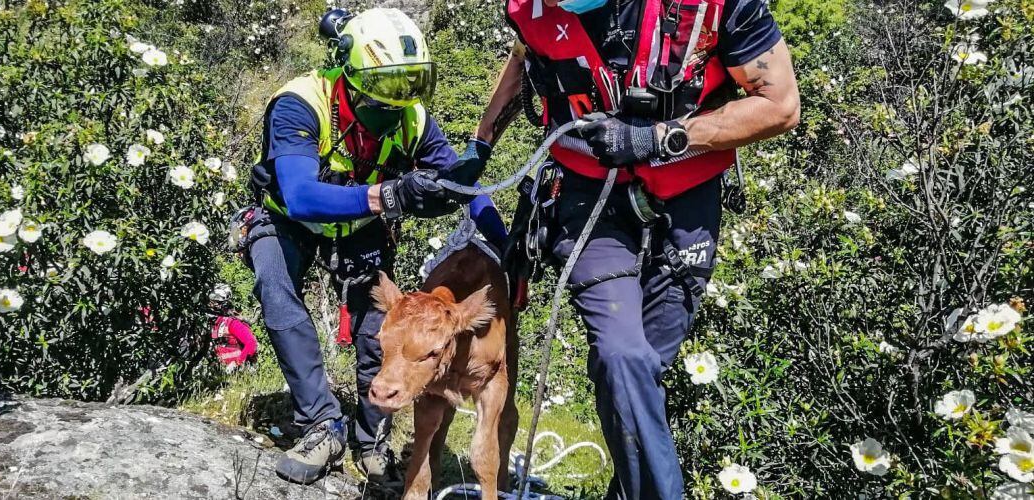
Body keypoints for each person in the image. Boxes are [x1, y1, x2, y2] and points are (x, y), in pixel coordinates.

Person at [449, 0, 800, 497]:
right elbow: (528, 53)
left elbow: (781, 105)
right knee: (621, 356)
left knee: (642, 370)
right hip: (584, 194)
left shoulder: (718, 7)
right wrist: (480, 145)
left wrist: (658, 138)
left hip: (687, 197)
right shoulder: (532, 8)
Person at [234, 8, 507, 485]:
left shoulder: (410, 117)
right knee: (278, 295)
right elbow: (299, 196)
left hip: (359, 225)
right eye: (384, 96)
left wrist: (505, 251)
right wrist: (390, 194)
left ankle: (371, 436)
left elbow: (466, 189)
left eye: (407, 90)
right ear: (351, 78)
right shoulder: (301, 103)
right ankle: (321, 423)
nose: (396, 105)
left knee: (376, 324)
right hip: (288, 218)